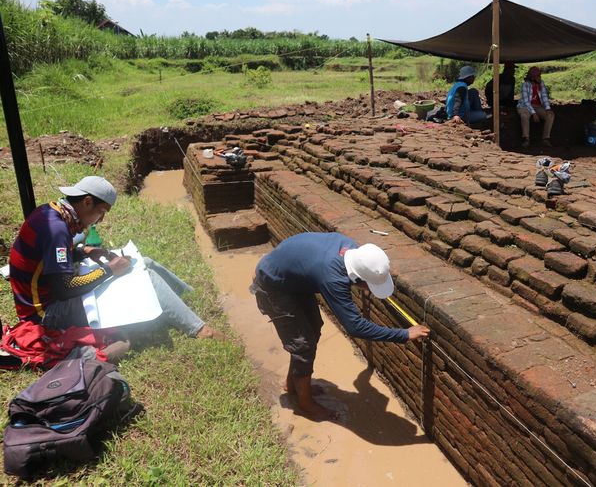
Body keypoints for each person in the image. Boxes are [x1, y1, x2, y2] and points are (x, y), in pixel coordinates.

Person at [8, 176, 223, 350]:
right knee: (144, 277)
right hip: (45, 315)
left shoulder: (53, 212)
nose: (100, 220)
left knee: (143, 262)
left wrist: (86, 251)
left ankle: (186, 295)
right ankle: (201, 330)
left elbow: (52, 257)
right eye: (101, 213)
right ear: (87, 202)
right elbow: (64, 288)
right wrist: (109, 270)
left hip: (46, 300)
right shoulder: (57, 230)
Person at [250, 232, 430, 421]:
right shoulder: (333, 278)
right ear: (359, 279)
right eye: (369, 286)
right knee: (302, 344)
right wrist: (403, 334)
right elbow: (355, 327)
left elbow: (361, 383)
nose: (368, 290)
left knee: (313, 329)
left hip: (292, 279)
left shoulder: (351, 249)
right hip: (273, 285)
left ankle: (293, 383)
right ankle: (305, 404)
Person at [517, 66, 555, 148]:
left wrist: (548, 108)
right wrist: (534, 113)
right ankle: (526, 138)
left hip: (538, 106)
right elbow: (526, 101)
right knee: (524, 115)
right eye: (537, 76)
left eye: (539, 75)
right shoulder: (525, 84)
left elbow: (544, 97)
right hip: (524, 106)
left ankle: (546, 138)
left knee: (550, 115)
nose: (539, 77)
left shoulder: (541, 83)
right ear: (532, 77)